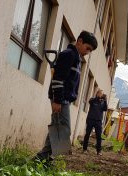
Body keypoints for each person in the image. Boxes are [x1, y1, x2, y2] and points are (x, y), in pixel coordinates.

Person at [35, 31, 98, 162]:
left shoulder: (76, 58)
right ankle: (41, 158)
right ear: (79, 41)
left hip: (64, 99)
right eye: (88, 48)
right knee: (65, 130)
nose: (88, 52)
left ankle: (46, 159)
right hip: (60, 98)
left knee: (58, 127)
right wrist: (57, 100)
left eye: (90, 50)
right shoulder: (68, 55)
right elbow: (58, 79)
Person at [82, 89, 108, 155]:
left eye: (101, 94)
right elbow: (90, 102)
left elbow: (105, 109)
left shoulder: (102, 102)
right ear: (97, 93)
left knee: (99, 136)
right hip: (90, 120)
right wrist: (97, 98)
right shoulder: (92, 100)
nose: (100, 94)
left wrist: (105, 100)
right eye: (99, 93)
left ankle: (98, 151)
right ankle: (84, 149)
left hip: (98, 121)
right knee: (87, 134)